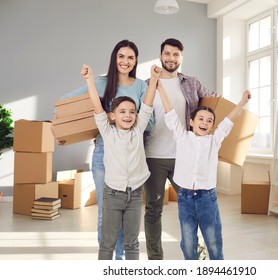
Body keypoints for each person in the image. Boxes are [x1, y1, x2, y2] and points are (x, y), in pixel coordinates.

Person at [56, 40, 153, 260]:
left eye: (130, 57)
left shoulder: (140, 86)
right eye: (121, 56)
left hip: (132, 154)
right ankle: (113, 262)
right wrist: (66, 133)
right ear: (114, 58)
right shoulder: (101, 83)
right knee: (106, 214)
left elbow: (150, 121)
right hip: (103, 153)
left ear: (136, 61)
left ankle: (123, 261)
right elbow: (67, 102)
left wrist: (130, 125)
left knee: (128, 216)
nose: (125, 61)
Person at [156, 79, 251, 259]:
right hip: (185, 198)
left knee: (213, 242)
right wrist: (160, 89)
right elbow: (170, 113)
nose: (204, 123)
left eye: (209, 121)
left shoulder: (214, 141)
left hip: (207, 198)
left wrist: (243, 101)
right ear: (191, 122)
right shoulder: (182, 137)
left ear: (212, 126)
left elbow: (228, 121)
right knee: (188, 243)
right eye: (200, 119)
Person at [143, 38, 220, 260]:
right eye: (167, 54)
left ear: (181, 58)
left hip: (184, 156)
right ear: (160, 55)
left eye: (176, 55)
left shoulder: (191, 83)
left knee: (194, 208)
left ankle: (198, 257)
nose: (171, 58)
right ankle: (155, 259)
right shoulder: (147, 84)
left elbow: (212, 102)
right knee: (153, 209)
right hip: (153, 155)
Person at [81, 63, 160, 260]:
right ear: (113, 116)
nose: (128, 115)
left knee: (132, 243)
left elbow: (148, 105)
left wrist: (154, 79)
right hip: (112, 194)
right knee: (107, 244)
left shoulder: (138, 130)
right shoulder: (107, 132)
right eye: (122, 112)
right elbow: (97, 107)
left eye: (132, 111)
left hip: (133, 195)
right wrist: (90, 80)